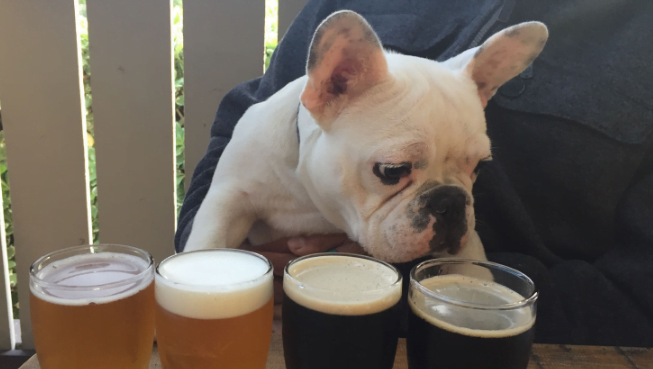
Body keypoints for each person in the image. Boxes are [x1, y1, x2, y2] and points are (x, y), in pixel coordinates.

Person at [176, 0, 653, 347]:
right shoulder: (269, 126)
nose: (450, 201)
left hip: (516, 349)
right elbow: (225, 190)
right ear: (332, 87)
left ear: (482, 91)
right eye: (394, 171)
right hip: (260, 332)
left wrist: (431, 295)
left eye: (472, 167)